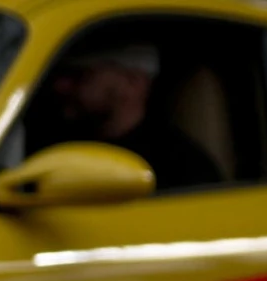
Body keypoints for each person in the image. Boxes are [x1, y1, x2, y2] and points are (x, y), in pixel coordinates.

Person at [45, 41, 220, 192]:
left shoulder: (180, 165)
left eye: (80, 75)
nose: (60, 86)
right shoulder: (56, 145)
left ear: (132, 82)